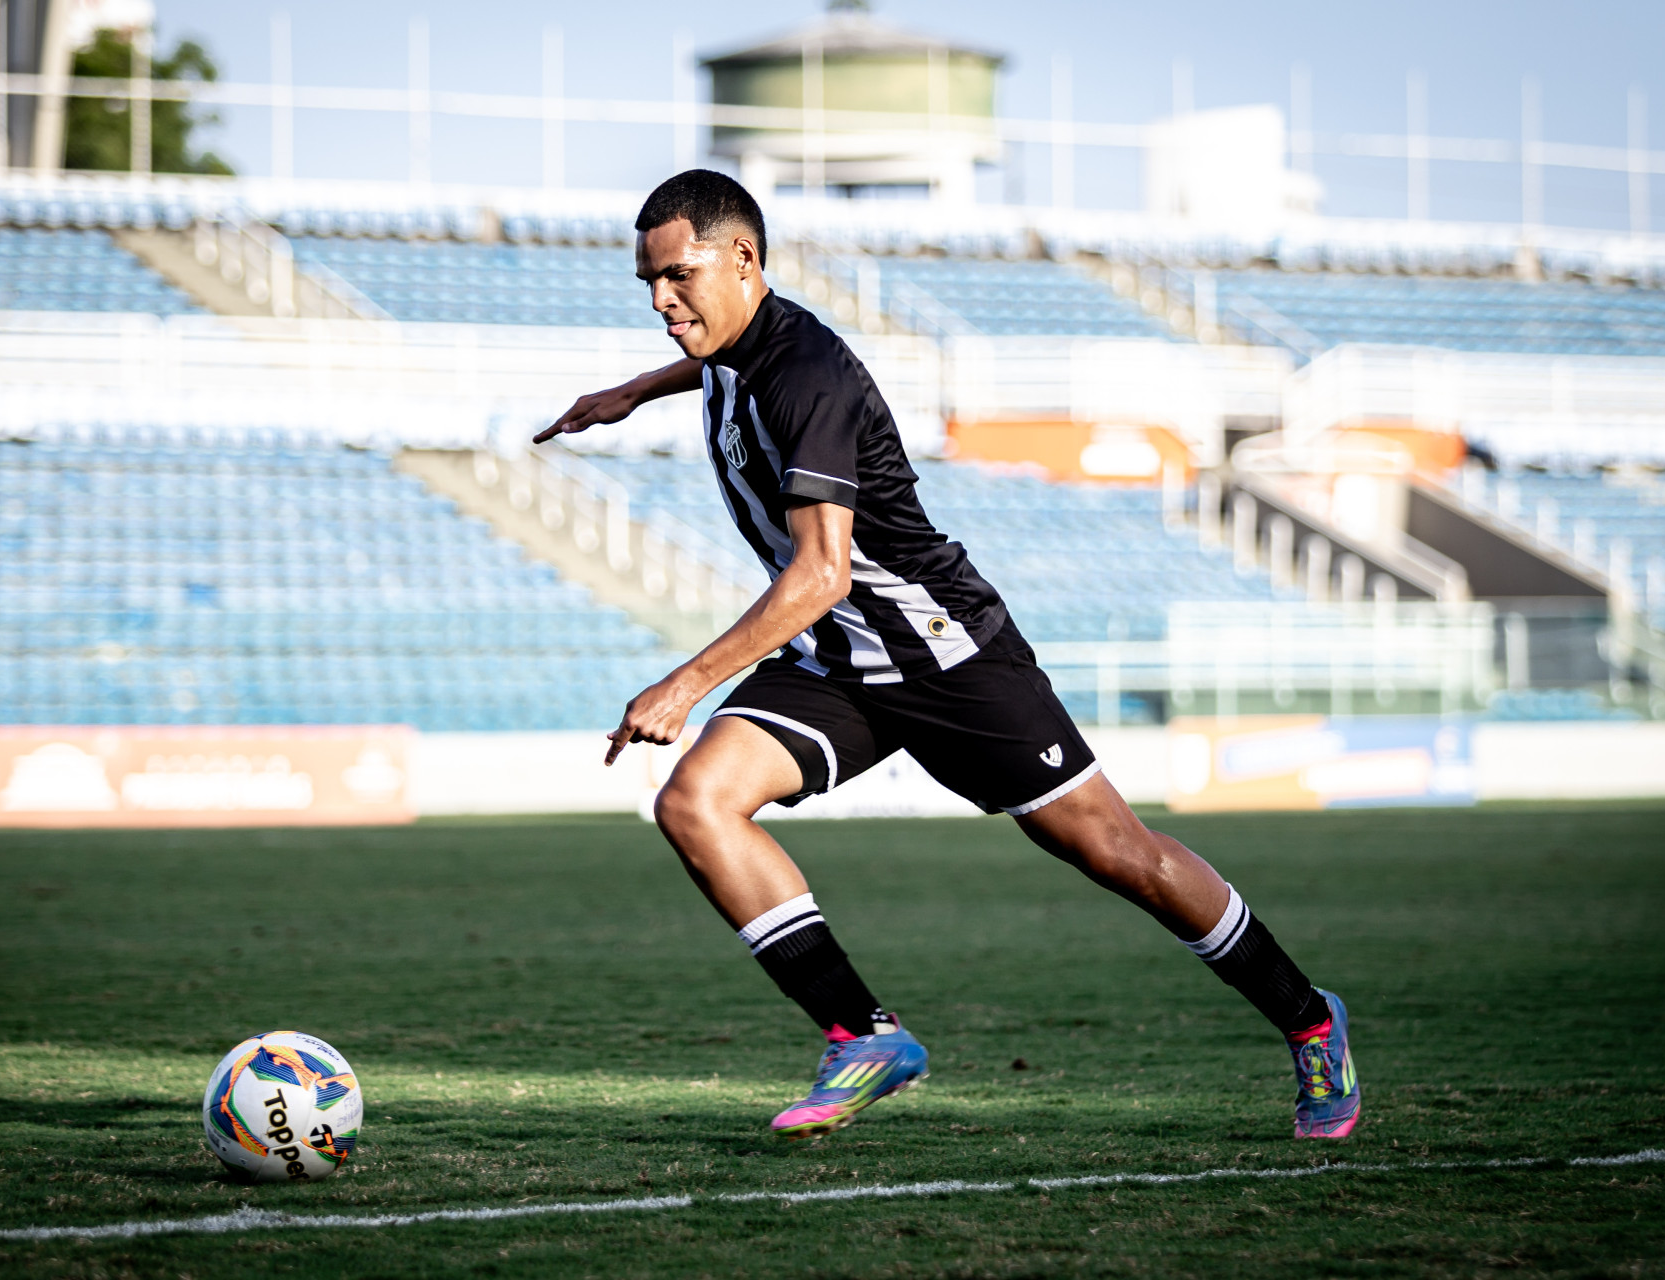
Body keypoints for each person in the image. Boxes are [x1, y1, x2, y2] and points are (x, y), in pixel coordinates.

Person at [536, 170, 1359, 1142]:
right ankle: (863, 1035)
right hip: (838, 663)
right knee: (696, 800)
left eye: (678, 277)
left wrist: (685, 680)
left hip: (943, 652)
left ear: (745, 259)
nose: (663, 302)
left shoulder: (809, 375)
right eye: (649, 285)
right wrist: (635, 389)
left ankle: (1309, 1017)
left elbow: (821, 574)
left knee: (1115, 851)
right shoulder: (731, 348)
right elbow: (722, 372)